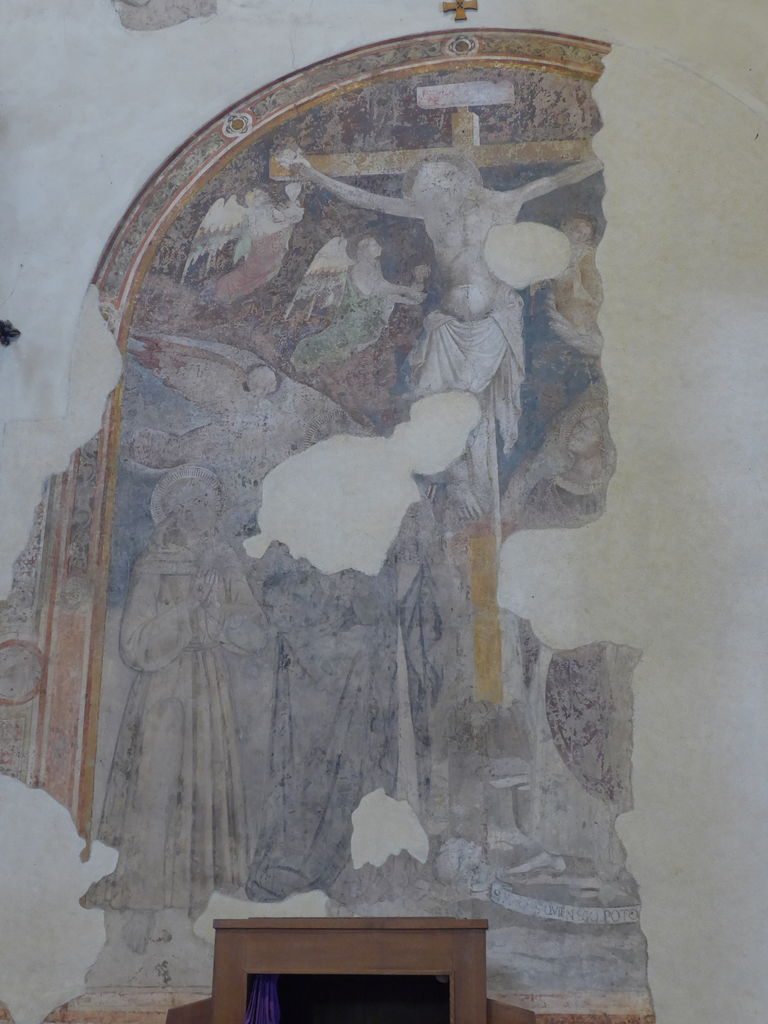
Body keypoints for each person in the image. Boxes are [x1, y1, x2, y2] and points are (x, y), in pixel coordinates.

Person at [278, 147, 603, 515]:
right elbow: (367, 199)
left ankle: (480, 488)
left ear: (457, 178)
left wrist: (599, 158)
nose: (428, 188)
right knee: (431, 403)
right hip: (447, 328)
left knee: (476, 406)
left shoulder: (501, 202)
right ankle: (453, 482)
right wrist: (312, 173)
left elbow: (552, 181)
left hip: (491, 324)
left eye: (434, 180)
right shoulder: (430, 213)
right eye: (426, 184)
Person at [89, 465, 269, 916]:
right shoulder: (152, 563)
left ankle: (206, 890)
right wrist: (188, 611)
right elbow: (134, 643)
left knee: (208, 778)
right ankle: (147, 889)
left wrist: (220, 617)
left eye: (206, 504)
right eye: (188, 506)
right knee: (158, 778)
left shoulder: (223, 561)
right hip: (163, 689)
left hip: (209, 685)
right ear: (172, 513)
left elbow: (255, 632)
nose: (199, 513)